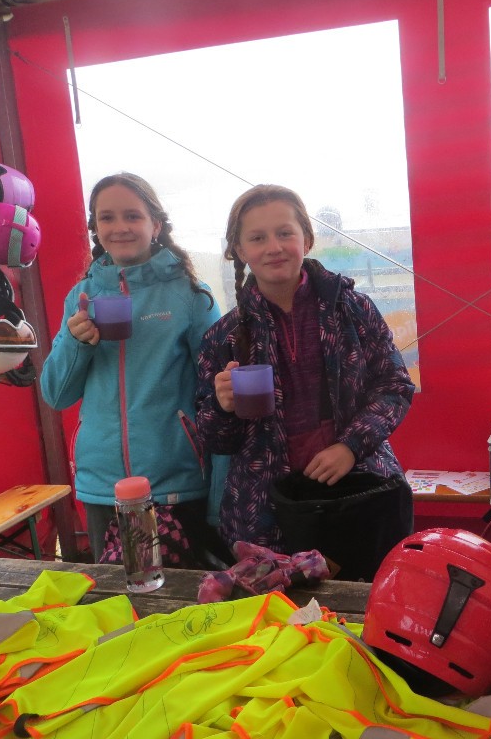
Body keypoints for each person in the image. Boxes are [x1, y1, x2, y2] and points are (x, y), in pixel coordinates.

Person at [196, 184, 415, 552]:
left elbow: (395, 386)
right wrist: (222, 406)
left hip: (360, 493)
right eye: (257, 238)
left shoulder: (354, 309)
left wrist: (350, 447)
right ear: (239, 250)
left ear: (307, 240)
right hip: (265, 515)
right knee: (280, 593)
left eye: (285, 233)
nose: (274, 247)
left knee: (365, 588)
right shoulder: (223, 336)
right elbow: (216, 440)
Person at [40, 172, 222, 565]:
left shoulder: (192, 296)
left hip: (175, 482)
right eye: (107, 217)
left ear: (155, 224)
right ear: (96, 227)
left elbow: (218, 398)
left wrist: (219, 493)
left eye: (132, 216)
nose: (120, 227)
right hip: (103, 485)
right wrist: (76, 342)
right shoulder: (81, 297)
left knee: (183, 595)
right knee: (117, 593)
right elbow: (56, 394)